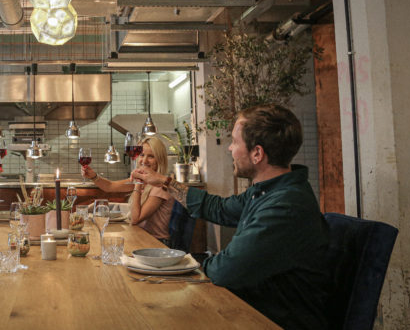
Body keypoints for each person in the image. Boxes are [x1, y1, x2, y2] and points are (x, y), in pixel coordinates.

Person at [132, 104, 329, 329]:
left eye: (234, 142)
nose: (229, 149)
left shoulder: (284, 207)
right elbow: (218, 208)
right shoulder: (267, 191)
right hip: (251, 307)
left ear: (257, 153)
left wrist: (176, 263)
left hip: (272, 319)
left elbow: (225, 270)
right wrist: (165, 182)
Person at [81, 136, 174, 245]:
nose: (144, 160)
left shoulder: (160, 187)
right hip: (142, 237)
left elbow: (135, 219)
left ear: (160, 160)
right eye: (142, 155)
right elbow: (110, 186)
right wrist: (93, 176)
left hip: (157, 243)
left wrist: (138, 183)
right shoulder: (145, 181)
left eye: (151, 156)